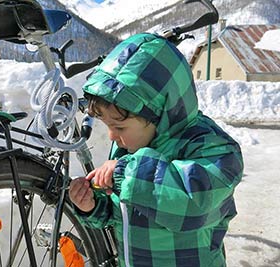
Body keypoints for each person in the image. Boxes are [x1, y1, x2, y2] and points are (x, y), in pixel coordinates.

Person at [69, 33, 244, 267]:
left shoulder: (214, 148)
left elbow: (192, 203)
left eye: (119, 126)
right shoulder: (131, 148)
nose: (111, 136)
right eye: (108, 126)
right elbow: (121, 212)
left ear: (160, 114)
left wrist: (126, 174)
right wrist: (92, 206)